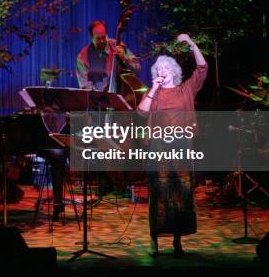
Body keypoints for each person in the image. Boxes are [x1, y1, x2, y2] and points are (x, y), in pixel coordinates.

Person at [137, 33, 208, 256]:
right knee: (159, 192)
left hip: (181, 145)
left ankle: (178, 241)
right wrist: (153, 89)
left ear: (174, 72)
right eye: (158, 70)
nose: (162, 72)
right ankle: (155, 241)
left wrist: (191, 44)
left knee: (181, 193)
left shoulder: (185, 89)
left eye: (166, 69)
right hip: (159, 146)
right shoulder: (155, 94)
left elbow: (203, 68)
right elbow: (141, 112)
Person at [76, 20, 140, 91]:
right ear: (91, 36)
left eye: (103, 37)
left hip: (123, 94)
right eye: (98, 38)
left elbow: (137, 68)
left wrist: (125, 58)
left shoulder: (117, 45)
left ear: (107, 34)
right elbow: (86, 89)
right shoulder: (84, 56)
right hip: (100, 99)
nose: (102, 41)